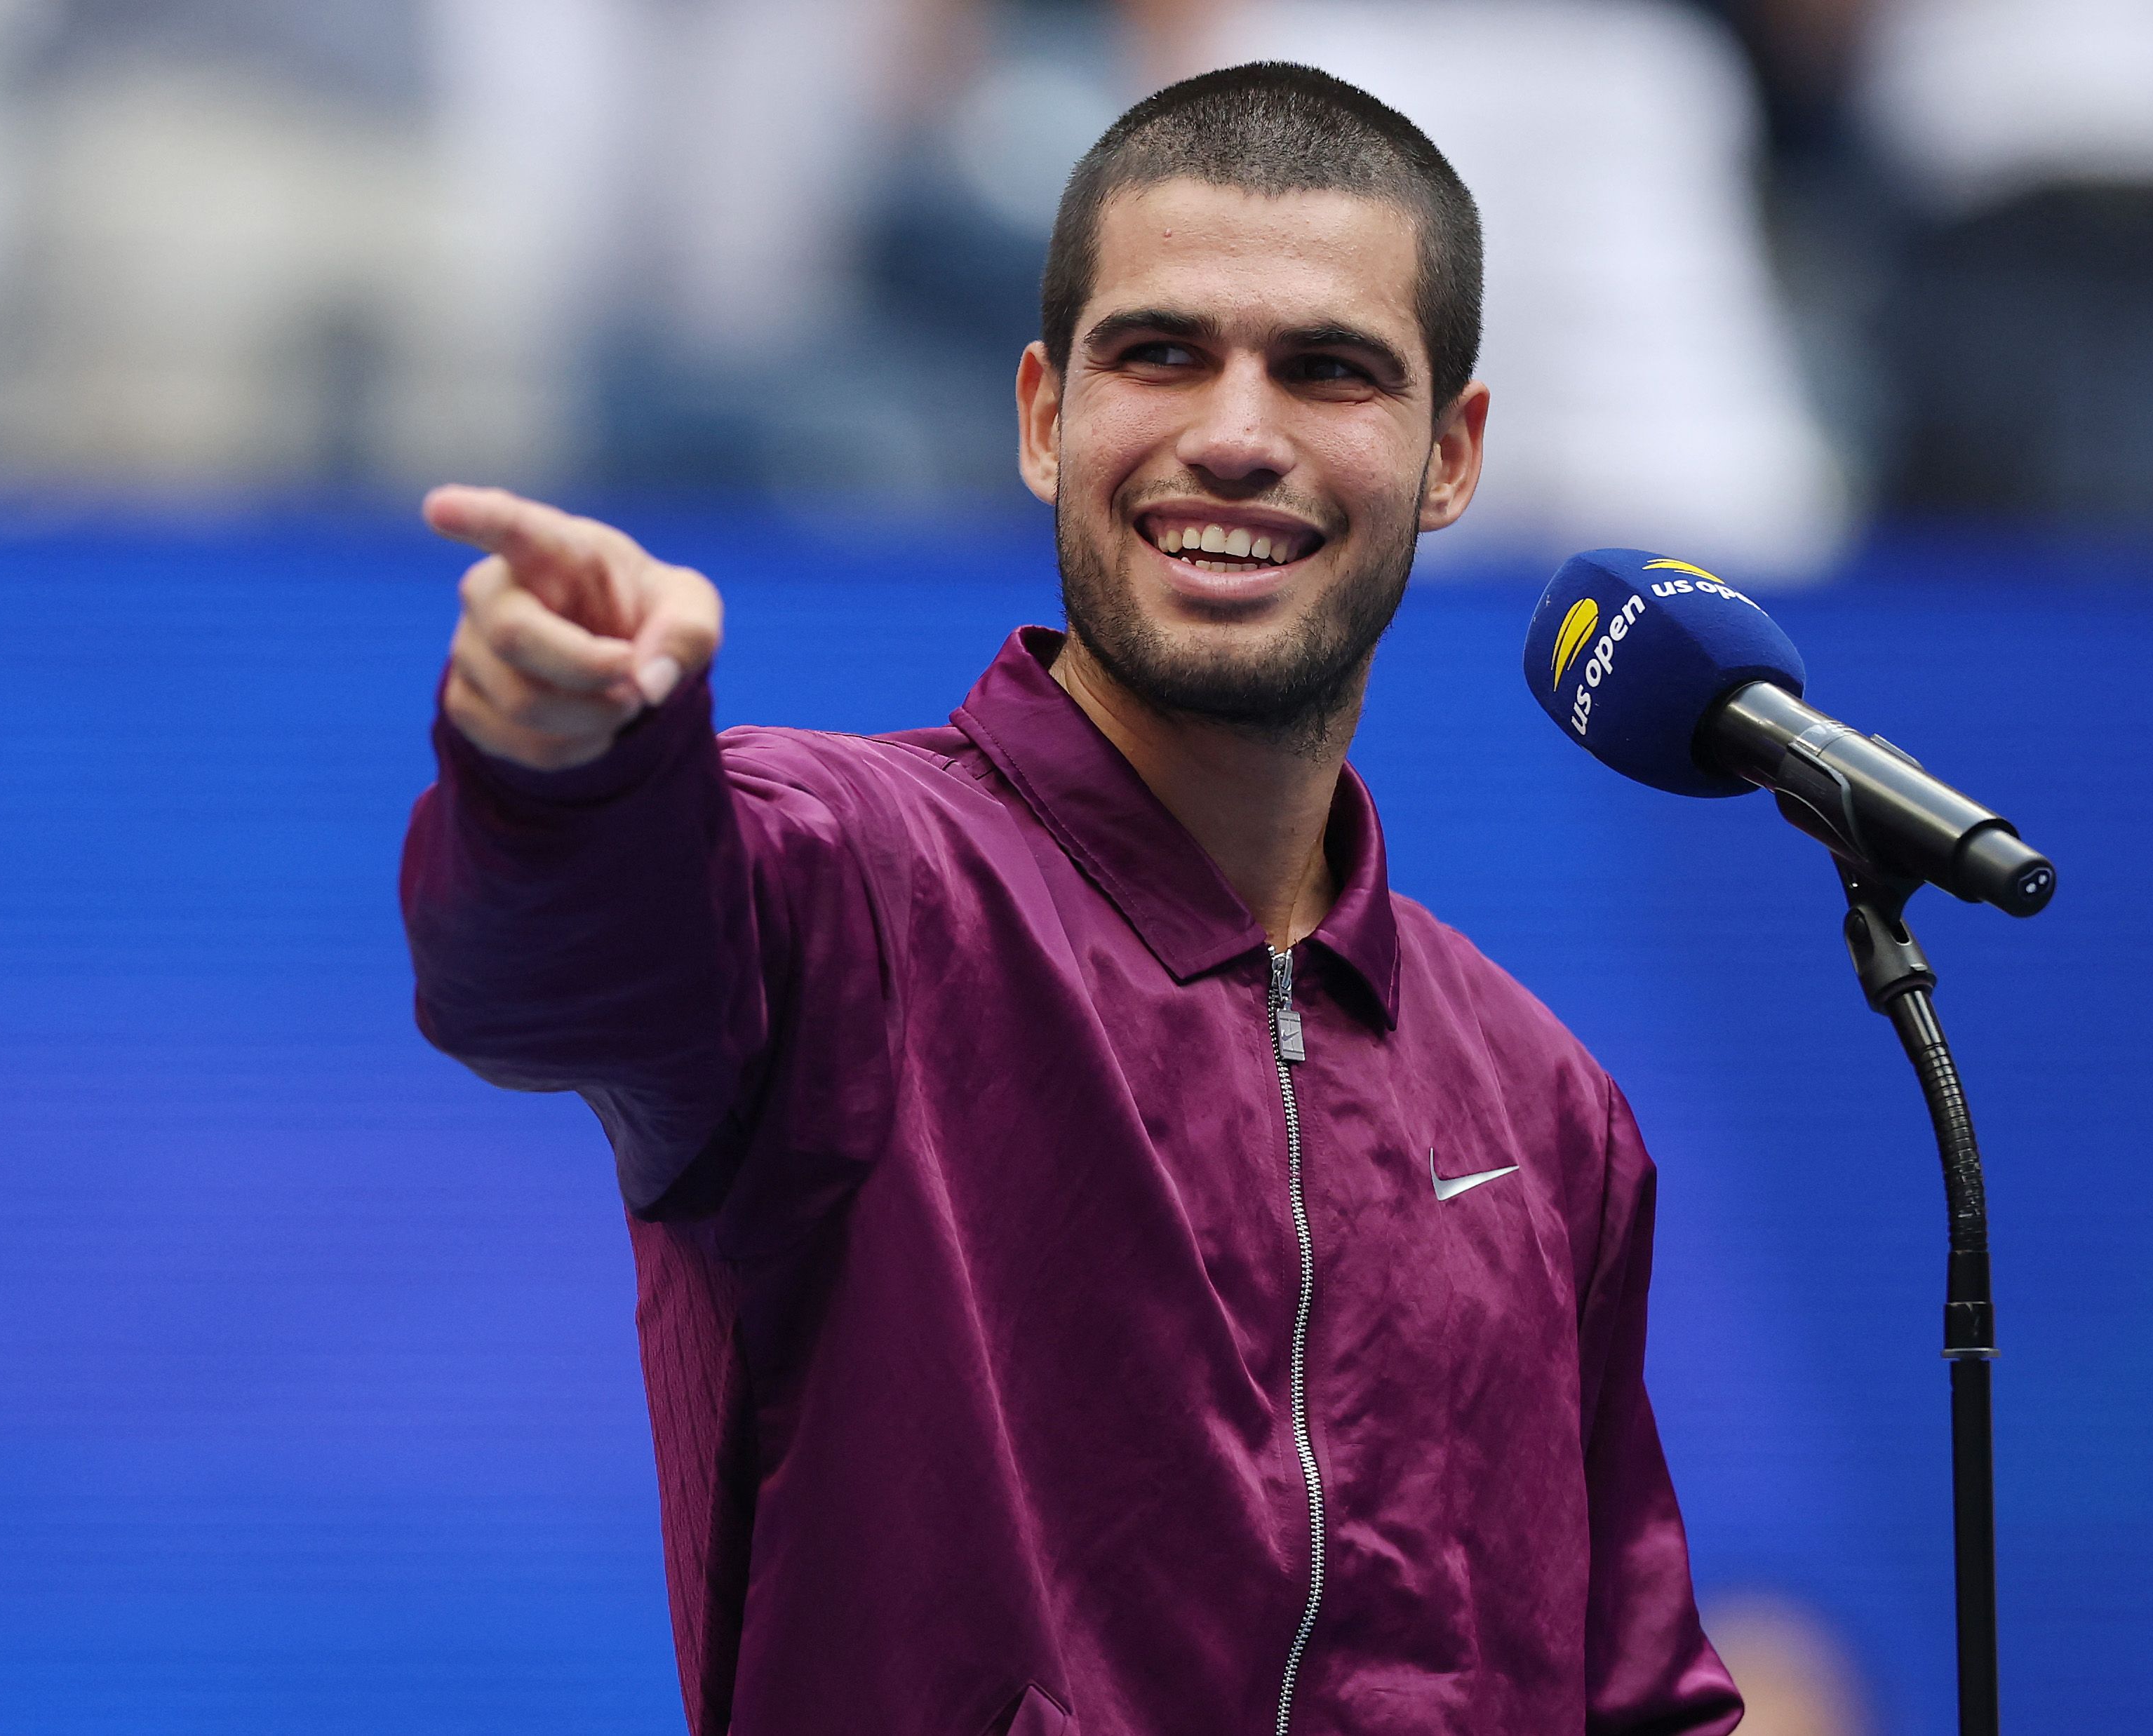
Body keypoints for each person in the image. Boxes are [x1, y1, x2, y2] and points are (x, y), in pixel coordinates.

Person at [401, 62, 1743, 1736]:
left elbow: (1629, 1697)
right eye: (1160, 353)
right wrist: (566, 759)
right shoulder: (848, 877)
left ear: (1451, 453)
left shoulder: (1547, 1110)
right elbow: (547, 975)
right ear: (1043, 415)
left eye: (1326, 371)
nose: (1234, 436)